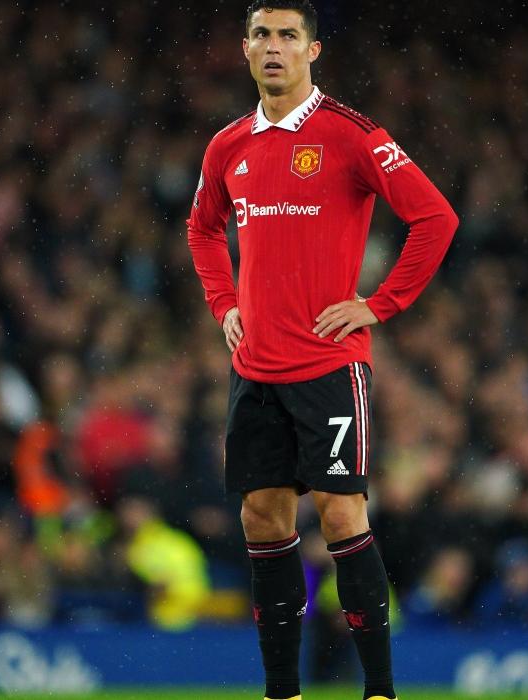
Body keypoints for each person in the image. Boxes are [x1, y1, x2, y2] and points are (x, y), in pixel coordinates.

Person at [186, 3, 458, 698]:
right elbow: (202, 228)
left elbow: (435, 217)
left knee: (341, 514)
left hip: (329, 366)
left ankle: (380, 690)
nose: (274, 47)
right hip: (255, 370)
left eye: (289, 36)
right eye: (263, 35)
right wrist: (224, 305)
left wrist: (379, 304)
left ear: (313, 51)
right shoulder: (227, 145)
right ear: (246, 49)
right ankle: (283, 692)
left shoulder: (351, 135)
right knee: (262, 519)